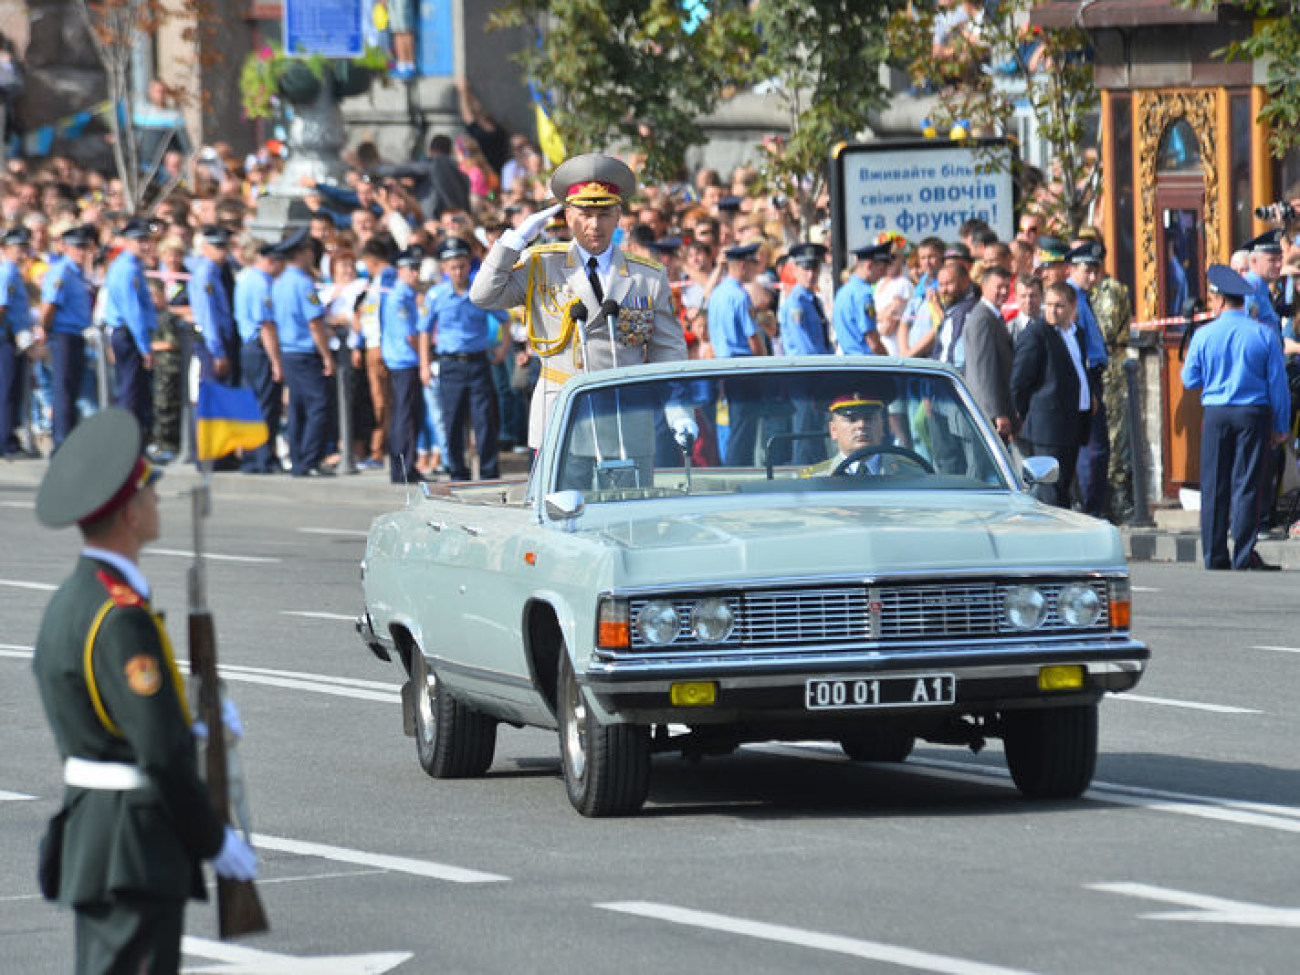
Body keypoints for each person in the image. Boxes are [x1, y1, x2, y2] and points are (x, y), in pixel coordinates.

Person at [31, 408, 257, 975]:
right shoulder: (119, 615)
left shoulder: (72, 601)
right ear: (132, 513)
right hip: (132, 844)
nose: (157, 504)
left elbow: (117, 717)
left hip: (100, 837)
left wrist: (194, 721)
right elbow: (158, 751)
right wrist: (212, 839)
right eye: (150, 495)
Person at [468, 152, 691, 454]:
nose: (594, 225)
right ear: (568, 216)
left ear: (618, 216)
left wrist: (678, 407)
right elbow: (483, 295)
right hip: (563, 417)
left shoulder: (647, 276)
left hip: (625, 420)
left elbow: (669, 349)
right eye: (584, 214)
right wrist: (514, 242)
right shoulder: (541, 265)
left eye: (604, 214)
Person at [1181, 264, 1290, 570]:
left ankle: (1214, 555)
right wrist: (1280, 425)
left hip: (1216, 412)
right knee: (1247, 483)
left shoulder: (1204, 335)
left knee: (1214, 484)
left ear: (1217, 300)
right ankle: (1243, 554)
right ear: (1244, 301)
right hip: (1253, 413)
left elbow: (1189, 379)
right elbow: (1277, 385)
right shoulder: (1264, 334)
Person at [423, 236, 505, 481]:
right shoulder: (436, 295)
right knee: (453, 420)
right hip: (450, 364)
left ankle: (489, 471)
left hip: (478, 361)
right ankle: (458, 471)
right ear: (444, 268)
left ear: (469, 265)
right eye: (452, 267)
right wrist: (425, 365)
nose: (458, 271)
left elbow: (505, 318)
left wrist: (502, 347)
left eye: (462, 265)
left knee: (484, 421)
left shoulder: (479, 292)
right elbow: (424, 331)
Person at [1011, 281, 1091, 508]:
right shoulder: (1037, 334)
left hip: (1073, 420)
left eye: (1060, 306)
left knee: (1064, 484)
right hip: (1048, 425)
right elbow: (1019, 381)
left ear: (1073, 307)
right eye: (1049, 305)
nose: (1053, 311)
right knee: (1050, 490)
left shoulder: (1077, 334)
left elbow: (1080, 370)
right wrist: (1027, 414)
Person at [271, 229, 335, 477]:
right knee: (318, 404)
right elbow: (314, 322)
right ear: (302, 253)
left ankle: (299, 458)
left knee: (298, 407)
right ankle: (309, 459)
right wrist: (327, 355)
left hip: (288, 351)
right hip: (305, 351)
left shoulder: (279, 282)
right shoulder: (304, 283)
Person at [707, 242, 767, 465]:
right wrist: (764, 367)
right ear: (742, 265)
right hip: (744, 367)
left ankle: (733, 470)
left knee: (736, 426)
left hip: (722, 365)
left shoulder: (717, 294)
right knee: (744, 429)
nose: (755, 269)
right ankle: (738, 473)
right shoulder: (740, 296)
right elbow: (753, 340)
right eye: (753, 264)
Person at [1065, 241, 1112, 518]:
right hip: (1084, 378)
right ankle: (1090, 509)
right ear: (1071, 269)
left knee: (1098, 449)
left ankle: (1094, 506)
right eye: (1087, 270)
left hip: (1092, 376)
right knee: (1092, 451)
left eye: (1096, 271)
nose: (1093, 277)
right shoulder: (1071, 298)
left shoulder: (1082, 296)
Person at [39, 224, 95, 449]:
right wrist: (45, 330)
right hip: (63, 335)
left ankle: (68, 438)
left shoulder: (77, 272)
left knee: (71, 390)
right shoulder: (61, 271)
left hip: (76, 335)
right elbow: (49, 306)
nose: (82, 252)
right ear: (66, 248)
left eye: (84, 247)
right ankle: (61, 442)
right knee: (63, 389)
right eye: (77, 247)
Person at [103, 218, 158, 432]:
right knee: (131, 393)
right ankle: (127, 443)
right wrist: (145, 347)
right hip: (129, 334)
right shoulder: (126, 269)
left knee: (137, 393)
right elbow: (132, 312)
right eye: (138, 240)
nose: (144, 245)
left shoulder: (133, 265)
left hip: (131, 334)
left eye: (146, 240)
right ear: (126, 241)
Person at [234, 238, 284, 474]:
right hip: (260, 348)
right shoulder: (262, 284)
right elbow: (266, 326)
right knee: (265, 405)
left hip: (248, 348)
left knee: (252, 405)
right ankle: (263, 458)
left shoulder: (246, 279)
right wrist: (276, 361)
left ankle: (252, 457)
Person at [381, 245, 429, 483]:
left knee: (409, 415)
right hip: (405, 363)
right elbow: (410, 336)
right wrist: (425, 358)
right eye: (411, 268)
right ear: (400, 271)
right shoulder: (399, 297)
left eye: (417, 268)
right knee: (405, 416)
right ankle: (403, 468)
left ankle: (406, 466)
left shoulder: (408, 295)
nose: (415, 273)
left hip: (406, 362)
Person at [780, 242, 831, 464]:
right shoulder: (796, 302)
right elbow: (805, 348)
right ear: (795, 270)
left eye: (814, 268)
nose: (810, 274)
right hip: (807, 375)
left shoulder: (812, 300)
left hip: (817, 375)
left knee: (816, 433)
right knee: (806, 434)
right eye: (805, 269)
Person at [800, 391, 915, 476]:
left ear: (882, 426)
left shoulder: (912, 473)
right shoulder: (816, 479)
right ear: (833, 430)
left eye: (869, 418)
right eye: (852, 419)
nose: (861, 425)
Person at [962, 264, 1015, 442]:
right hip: (987, 415)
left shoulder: (992, 316)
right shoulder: (982, 319)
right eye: (998, 287)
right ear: (984, 287)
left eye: (1007, 287)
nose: (1004, 291)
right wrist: (997, 413)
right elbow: (984, 371)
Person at [190, 226, 238, 386]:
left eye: (225, 246)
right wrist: (218, 352)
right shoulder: (206, 274)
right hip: (213, 340)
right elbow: (208, 315)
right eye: (217, 247)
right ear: (206, 248)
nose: (222, 252)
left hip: (223, 338)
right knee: (214, 392)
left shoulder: (222, 270)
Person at [0, 225, 32, 457]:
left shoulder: (14, 272)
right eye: (17, 246)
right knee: (8, 391)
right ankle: (6, 441)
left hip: (15, 338)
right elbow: (2, 306)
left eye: (24, 246)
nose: (22, 251)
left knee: (12, 390)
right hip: (8, 339)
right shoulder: (7, 272)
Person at [832, 241, 889, 356]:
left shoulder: (843, 291)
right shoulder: (863, 294)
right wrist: (890, 361)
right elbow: (872, 341)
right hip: (865, 364)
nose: (883, 274)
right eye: (882, 269)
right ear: (869, 265)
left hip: (849, 361)